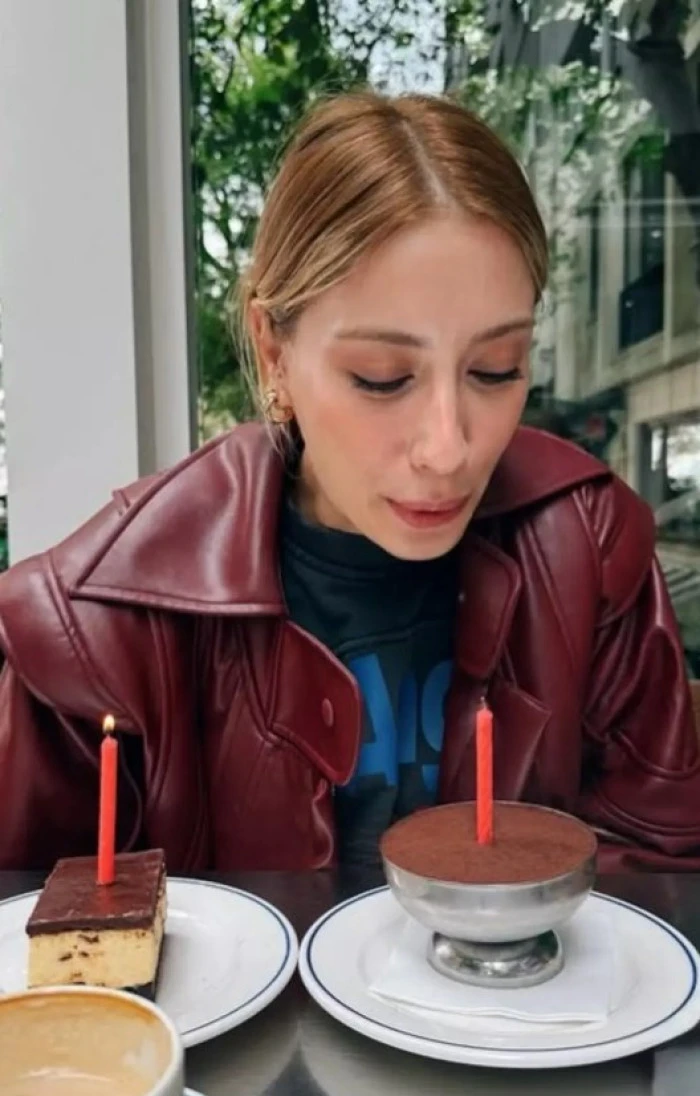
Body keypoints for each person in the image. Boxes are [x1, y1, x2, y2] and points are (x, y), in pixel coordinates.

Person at [0, 91, 698, 875]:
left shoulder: (588, 546)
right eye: (381, 377)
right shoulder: (97, 624)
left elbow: (662, 871)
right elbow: (36, 928)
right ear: (274, 354)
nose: (448, 449)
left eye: (495, 369)